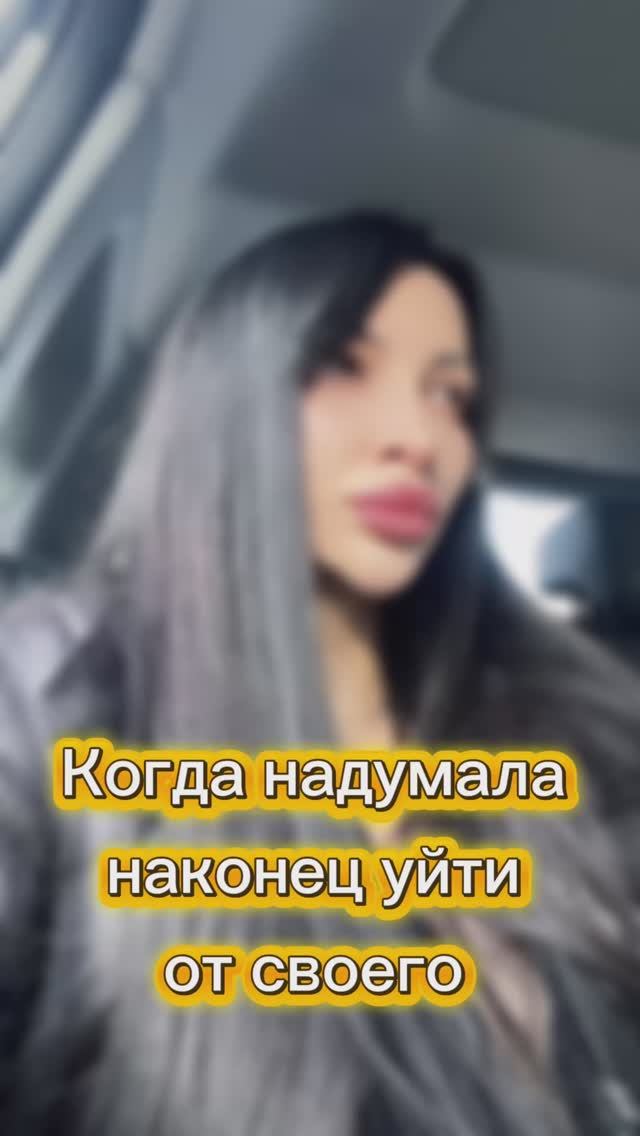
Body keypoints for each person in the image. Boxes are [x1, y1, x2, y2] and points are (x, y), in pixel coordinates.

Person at [0, 211, 639, 1136]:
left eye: (451, 398)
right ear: (226, 396)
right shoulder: (50, 685)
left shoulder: (555, 725)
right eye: (343, 365)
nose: (418, 437)